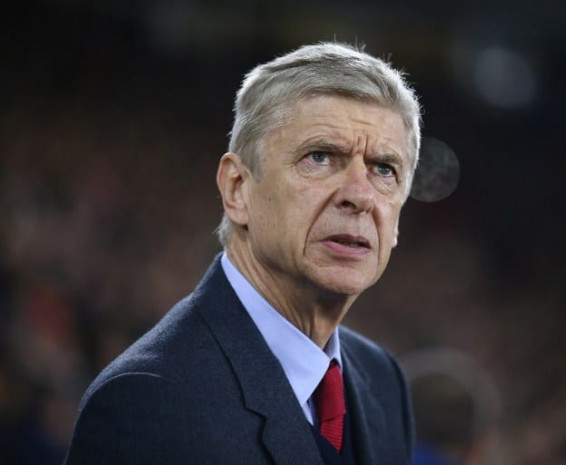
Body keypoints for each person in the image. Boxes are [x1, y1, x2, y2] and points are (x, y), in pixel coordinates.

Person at [63, 41, 422, 465]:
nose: (360, 195)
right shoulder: (148, 401)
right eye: (320, 157)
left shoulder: (383, 381)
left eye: (384, 169)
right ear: (237, 188)